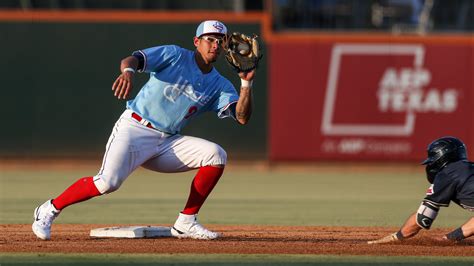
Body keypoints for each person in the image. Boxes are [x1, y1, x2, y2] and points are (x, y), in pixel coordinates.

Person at [32, 20, 256, 240]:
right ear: (196, 41)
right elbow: (134, 59)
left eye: (220, 40)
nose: (215, 45)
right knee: (107, 183)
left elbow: (242, 117)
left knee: (216, 155)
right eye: (209, 39)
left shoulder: (220, 84)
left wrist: (246, 84)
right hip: (135, 128)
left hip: (167, 141)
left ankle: (186, 221)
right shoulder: (175, 55)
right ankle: (49, 209)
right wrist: (128, 71)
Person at [368, 136, 474, 244]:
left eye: (433, 161)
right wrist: (450, 237)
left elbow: (423, 218)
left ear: (441, 158)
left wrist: (396, 237)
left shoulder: (447, 173)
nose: (430, 165)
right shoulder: (466, 169)